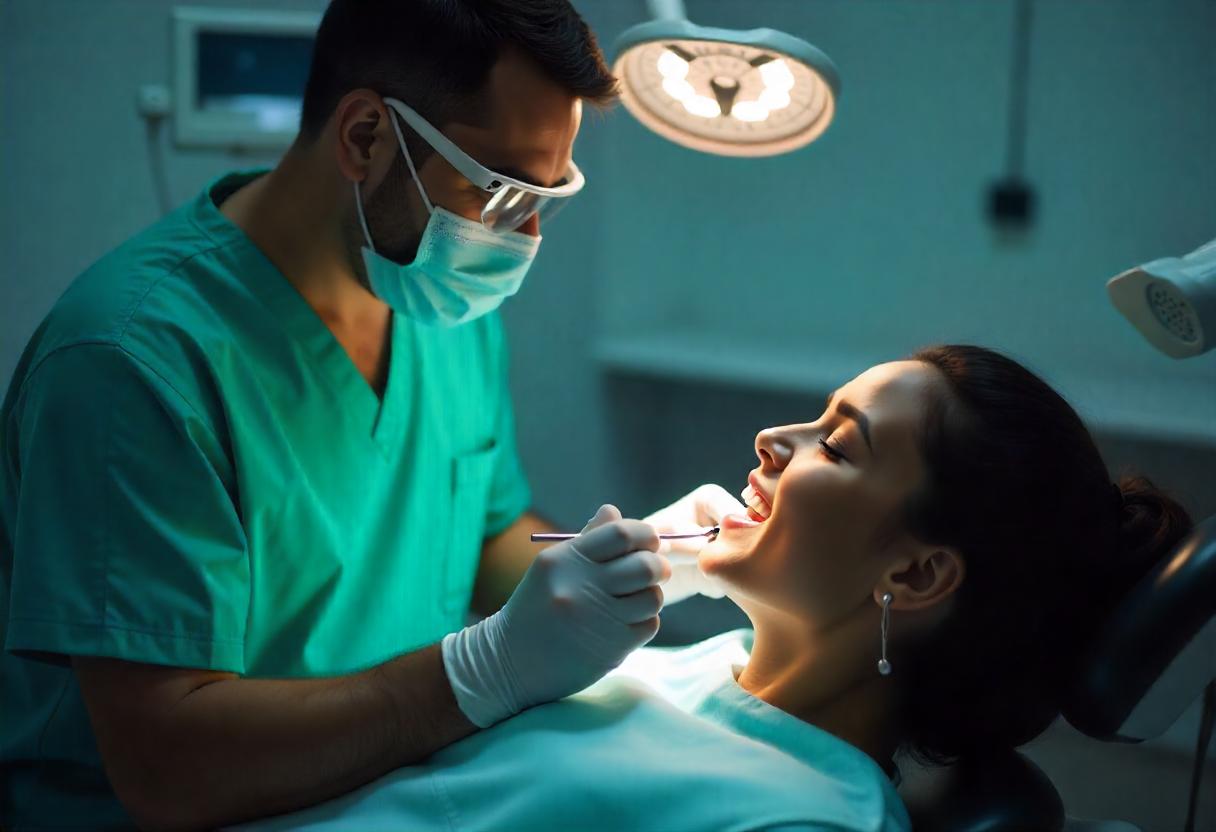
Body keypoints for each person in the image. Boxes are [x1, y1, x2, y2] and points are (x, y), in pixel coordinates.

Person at [0, 1, 726, 828]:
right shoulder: (131, 363)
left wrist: (629, 563)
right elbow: (167, 767)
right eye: (496, 191)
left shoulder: (440, 305)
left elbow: (482, 533)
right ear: (364, 136)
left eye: (546, 198)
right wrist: (479, 671)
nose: (522, 236)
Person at [235, 345, 1193, 832]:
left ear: (914, 572)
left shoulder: (802, 816)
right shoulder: (705, 664)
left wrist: (486, 674)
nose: (775, 442)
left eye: (839, 444)